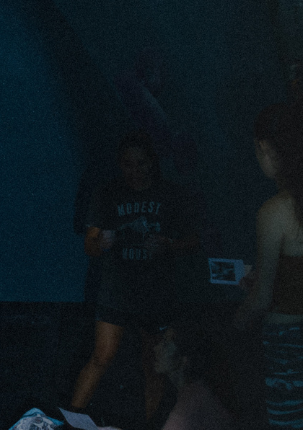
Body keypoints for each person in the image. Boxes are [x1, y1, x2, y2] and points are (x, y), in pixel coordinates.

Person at [68, 131, 200, 425]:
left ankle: (151, 424)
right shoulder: (108, 193)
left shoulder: (170, 194)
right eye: (128, 164)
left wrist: (168, 245)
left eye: (141, 164)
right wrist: (101, 242)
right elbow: (90, 245)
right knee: (101, 356)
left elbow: (194, 241)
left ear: (152, 163)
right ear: (120, 164)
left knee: (152, 365)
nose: (135, 171)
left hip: (155, 291)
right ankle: (69, 419)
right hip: (117, 290)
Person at [233, 102, 303, 428]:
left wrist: (229, 330)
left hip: (288, 345)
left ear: (266, 148)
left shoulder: (275, 211)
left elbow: (260, 301)